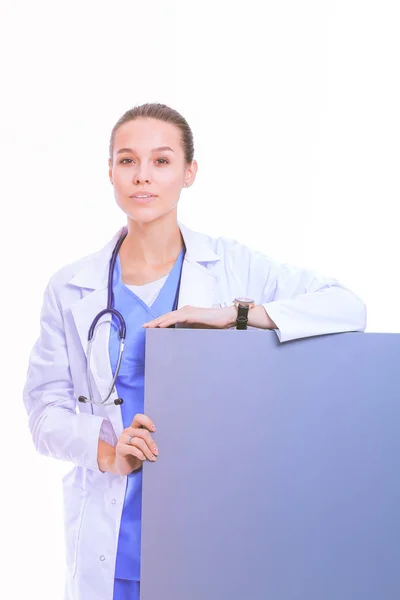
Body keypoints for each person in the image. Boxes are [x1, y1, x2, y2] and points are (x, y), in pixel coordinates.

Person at [23, 102, 366, 600]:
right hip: (113, 539)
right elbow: (42, 411)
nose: (142, 177)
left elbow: (347, 308)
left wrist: (234, 315)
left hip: (212, 527)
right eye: (127, 161)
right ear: (111, 173)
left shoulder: (232, 266)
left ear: (189, 173)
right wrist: (107, 454)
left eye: (161, 161)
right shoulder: (72, 286)